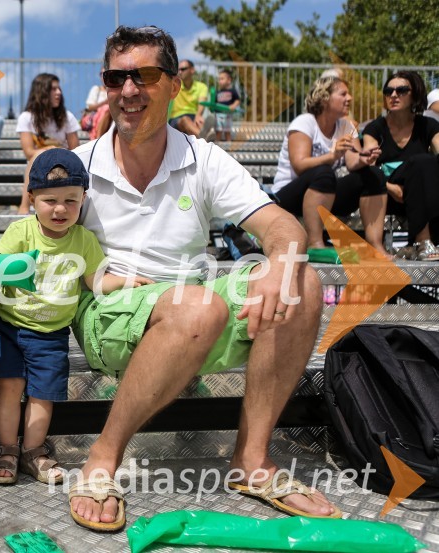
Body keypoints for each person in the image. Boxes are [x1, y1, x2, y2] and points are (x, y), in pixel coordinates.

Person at [67, 25, 339, 532]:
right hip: (111, 312)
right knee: (198, 305)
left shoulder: (202, 157)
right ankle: (103, 456)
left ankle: (251, 461)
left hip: (195, 313)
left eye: (145, 76)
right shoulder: (78, 166)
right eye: (116, 78)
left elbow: (281, 225)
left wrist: (281, 264)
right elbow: (39, 253)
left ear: (175, 85)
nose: (129, 90)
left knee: (300, 281)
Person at [0, 149, 149, 486]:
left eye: (70, 201)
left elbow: (96, 280)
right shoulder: (20, 232)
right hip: (9, 326)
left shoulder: (84, 240)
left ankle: (32, 451)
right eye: (50, 200)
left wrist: (126, 281)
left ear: (83, 199)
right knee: (9, 387)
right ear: (32, 198)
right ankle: (7, 449)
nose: (60, 209)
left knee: (43, 394)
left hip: (52, 333)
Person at [273, 76, 388, 255]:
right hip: (288, 197)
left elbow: (352, 162)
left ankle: (375, 245)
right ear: (325, 98)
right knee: (324, 173)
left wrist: (364, 158)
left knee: (374, 174)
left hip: (323, 194)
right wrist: (332, 156)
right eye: (343, 94)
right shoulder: (305, 122)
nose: (349, 98)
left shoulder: (346, 126)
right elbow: (300, 165)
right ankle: (315, 243)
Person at [346, 71, 439, 260]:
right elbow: (370, 167)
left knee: (424, 163)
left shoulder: (428, 125)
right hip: (389, 196)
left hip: (420, 194)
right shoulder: (375, 128)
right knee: (422, 161)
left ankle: (416, 246)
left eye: (401, 90)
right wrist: (390, 187)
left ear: (415, 94)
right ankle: (422, 242)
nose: (394, 95)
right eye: (389, 91)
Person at [15, 73, 81, 213]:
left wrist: (56, 152)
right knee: (35, 157)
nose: (59, 93)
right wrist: (48, 150)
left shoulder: (67, 117)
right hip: (38, 164)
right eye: (53, 89)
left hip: (64, 163)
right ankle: (24, 207)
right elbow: (28, 152)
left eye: (59, 89)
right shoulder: (26, 118)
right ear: (41, 92)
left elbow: (76, 152)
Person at [168, 59, 208, 137]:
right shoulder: (174, 86)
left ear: (192, 70)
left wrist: (198, 116)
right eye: (178, 70)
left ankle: (204, 134)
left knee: (199, 121)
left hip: (193, 117)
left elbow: (202, 103)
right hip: (176, 119)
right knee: (185, 120)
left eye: (183, 69)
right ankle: (205, 138)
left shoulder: (201, 86)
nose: (180, 72)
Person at [215, 69, 240, 141]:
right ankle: (216, 145)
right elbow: (214, 103)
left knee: (227, 132)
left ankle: (228, 145)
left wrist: (233, 106)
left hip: (228, 115)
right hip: (218, 115)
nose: (220, 81)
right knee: (218, 131)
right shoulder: (217, 92)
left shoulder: (232, 91)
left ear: (229, 80)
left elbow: (237, 100)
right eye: (219, 79)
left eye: (222, 79)